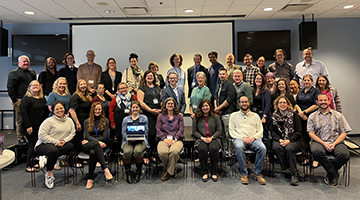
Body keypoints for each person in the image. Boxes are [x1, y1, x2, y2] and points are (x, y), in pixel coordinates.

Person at [308, 93, 351, 188]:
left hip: (336, 141)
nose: (323, 102)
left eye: (325, 100)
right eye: (320, 100)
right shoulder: (312, 116)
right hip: (319, 141)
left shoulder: (338, 115)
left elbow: (344, 132)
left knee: (344, 155)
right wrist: (323, 143)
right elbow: (311, 133)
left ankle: (330, 171)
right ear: (317, 102)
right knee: (316, 152)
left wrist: (334, 143)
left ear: (329, 101)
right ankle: (333, 174)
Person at [35, 100, 75, 189]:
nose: (59, 110)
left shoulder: (69, 120)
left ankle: (46, 158)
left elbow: (72, 133)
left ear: (65, 109)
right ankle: (49, 173)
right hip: (43, 145)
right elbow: (41, 136)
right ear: (52, 110)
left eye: (61, 108)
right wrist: (56, 142)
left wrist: (64, 141)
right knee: (53, 150)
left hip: (60, 145)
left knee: (70, 146)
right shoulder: (48, 121)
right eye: (57, 109)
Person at [229, 96, 266, 185]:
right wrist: (242, 138)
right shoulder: (233, 115)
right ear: (239, 104)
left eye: (246, 102)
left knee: (262, 148)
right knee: (238, 146)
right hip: (240, 138)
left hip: (253, 138)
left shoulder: (255, 116)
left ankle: (257, 173)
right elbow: (231, 131)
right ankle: (244, 173)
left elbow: (260, 130)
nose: (244, 104)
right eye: (242, 102)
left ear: (249, 103)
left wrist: (253, 137)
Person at [270, 96, 306, 186]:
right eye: (280, 103)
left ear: (288, 104)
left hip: (294, 140)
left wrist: (289, 140)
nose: (282, 104)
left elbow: (299, 131)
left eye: (284, 102)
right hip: (280, 139)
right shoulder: (273, 116)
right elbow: (272, 131)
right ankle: (294, 170)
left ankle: (293, 174)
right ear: (277, 104)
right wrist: (279, 139)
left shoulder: (293, 115)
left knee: (289, 149)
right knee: (276, 147)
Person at [82, 102, 113, 190]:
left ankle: (90, 178)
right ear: (92, 110)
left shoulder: (105, 121)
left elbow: (104, 136)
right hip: (88, 146)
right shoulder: (86, 121)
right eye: (95, 109)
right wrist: (98, 142)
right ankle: (105, 169)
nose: (97, 111)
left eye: (99, 109)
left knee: (93, 153)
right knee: (94, 146)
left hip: (97, 146)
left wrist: (96, 143)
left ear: (102, 110)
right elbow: (87, 136)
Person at [7, 55, 36, 143]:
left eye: (27, 61)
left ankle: (31, 136)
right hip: (20, 100)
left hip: (31, 99)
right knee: (20, 120)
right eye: (24, 61)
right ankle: (20, 137)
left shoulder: (32, 73)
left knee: (31, 118)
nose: (26, 63)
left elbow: (34, 85)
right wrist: (14, 100)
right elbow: (10, 88)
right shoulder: (14, 73)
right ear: (19, 63)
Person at [20, 80, 48, 172]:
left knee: (38, 144)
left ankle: (34, 162)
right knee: (33, 144)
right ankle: (29, 165)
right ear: (29, 87)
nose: (35, 87)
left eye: (37, 85)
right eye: (33, 85)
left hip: (40, 126)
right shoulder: (26, 99)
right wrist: (28, 126)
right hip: (30, 126)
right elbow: (24, 113)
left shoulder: (42, 98)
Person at [192, 99, 222, 182]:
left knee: (214, 149)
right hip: (201, 139)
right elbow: (194, 131)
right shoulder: (197, 117)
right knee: (202, 149)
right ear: (200, 107)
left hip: (214, 138)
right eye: (203, 106)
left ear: (210, 106)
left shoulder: (215, 117)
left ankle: (214, 172)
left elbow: (219, 130)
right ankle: (204, 171)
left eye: (207, 106)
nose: (205, 108)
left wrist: (211, 138)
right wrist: (202, 138)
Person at [121, 101, 149, 184]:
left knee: (138, 151)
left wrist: (138, 138)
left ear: (139, 108)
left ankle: (138, 171)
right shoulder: (126, 119)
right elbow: (123, 133)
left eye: (137, 107)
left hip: (141, 140)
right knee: (127, 152)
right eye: (133, 107)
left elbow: (146, 131)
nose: (135, 109)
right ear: (131, 108)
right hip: (128, 140)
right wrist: (130, 138)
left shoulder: (144, 118)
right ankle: (128, 172)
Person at [156, 97, 184, 181]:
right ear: (165, 105)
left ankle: (168, 172)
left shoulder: (179, 116)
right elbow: (158, 129)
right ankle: (172, 170)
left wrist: (175, 139)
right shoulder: (160, 116)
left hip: (177, 140)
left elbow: (181, 130)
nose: (170, 105)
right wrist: (164, 139)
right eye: (168, 103)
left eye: (172, 103)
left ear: (175, 105)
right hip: (163, 139)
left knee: (174, 152)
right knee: (162, 152)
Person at [137, 70, 161, 152]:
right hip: (147, 114)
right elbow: (140, 102)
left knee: (157, 134)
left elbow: (161, 100)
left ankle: (156, 153)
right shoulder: (142, 88)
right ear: (145, 78)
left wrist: (160, 110)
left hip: (158, 113)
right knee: (150, 134)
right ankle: (149, 154)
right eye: (148, 76)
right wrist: (151, 110)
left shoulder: (157, 87)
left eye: (152, 76)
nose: (150, 77)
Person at [294, 74, 321, 146]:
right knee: (300, 133)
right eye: (305, 80)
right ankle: (303, 151)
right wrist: (300, 112)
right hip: (300, 114)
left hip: (311, 115)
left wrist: (305, 112)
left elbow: (317, 104)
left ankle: (310, 151)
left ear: (312, 81)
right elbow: (296, 103)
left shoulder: (316, 91)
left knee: (309, 134)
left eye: (308, 80)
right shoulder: (300, 91)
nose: (306, 82)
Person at [214, 68, 235, 154]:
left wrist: (219, 108)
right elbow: (215, 97)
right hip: (219, 114)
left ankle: (231, 153)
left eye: (223, 74)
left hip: (227, 113)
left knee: (228, 134)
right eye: (220, 74)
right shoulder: (219, 85)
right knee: (221, 134)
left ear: (227, 75)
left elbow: (229, 99)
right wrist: (216, 108)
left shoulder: (230, 85)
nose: (222, 76)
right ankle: (226, 152)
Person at [69, 79, 92, 152]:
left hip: (86, 120)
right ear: (78, 86)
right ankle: (77, 157)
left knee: (84, 139)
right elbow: (72, 111)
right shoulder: (75, 96)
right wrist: (77, 123)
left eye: (84, 84)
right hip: (79, 120)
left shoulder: (87, 96)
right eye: (81, 84)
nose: (83, 86)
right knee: (78, 139)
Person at [252, 73, 271, 150]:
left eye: (260, 79)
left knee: (264, 135)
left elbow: (268, 105)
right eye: (256, 79)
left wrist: (264, 116)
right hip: (254, 115)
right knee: (255, 134)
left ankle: (266, 155)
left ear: (263, 80)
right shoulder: (253, 90)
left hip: (262, 115)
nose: (258, 80)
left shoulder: (266, 91)